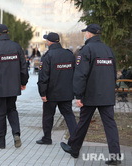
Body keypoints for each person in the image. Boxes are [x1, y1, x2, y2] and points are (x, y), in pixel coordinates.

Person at [60, 24, 121, 165]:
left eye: (85, 32)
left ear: (89, 34)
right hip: (106, 95)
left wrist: (78, 95)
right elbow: (113, 74)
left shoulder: (86, 50)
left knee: (83, 122)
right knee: (110, 125)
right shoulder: (108, 50)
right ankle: (116, 156)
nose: (85, 34)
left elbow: (80, 74)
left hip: (90, 95)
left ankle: (74, 149)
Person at [37, 32, 77, 145]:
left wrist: (42, 93)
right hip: (66, 92)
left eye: (46, 40)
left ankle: (47, 138)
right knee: (69, 115)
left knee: (48, 115)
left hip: (51, 93)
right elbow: (75, 73)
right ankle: (75, 138)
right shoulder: (69, 55)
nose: (46, 42)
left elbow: (43, 77)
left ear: (49, 42)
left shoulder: (47, 56)